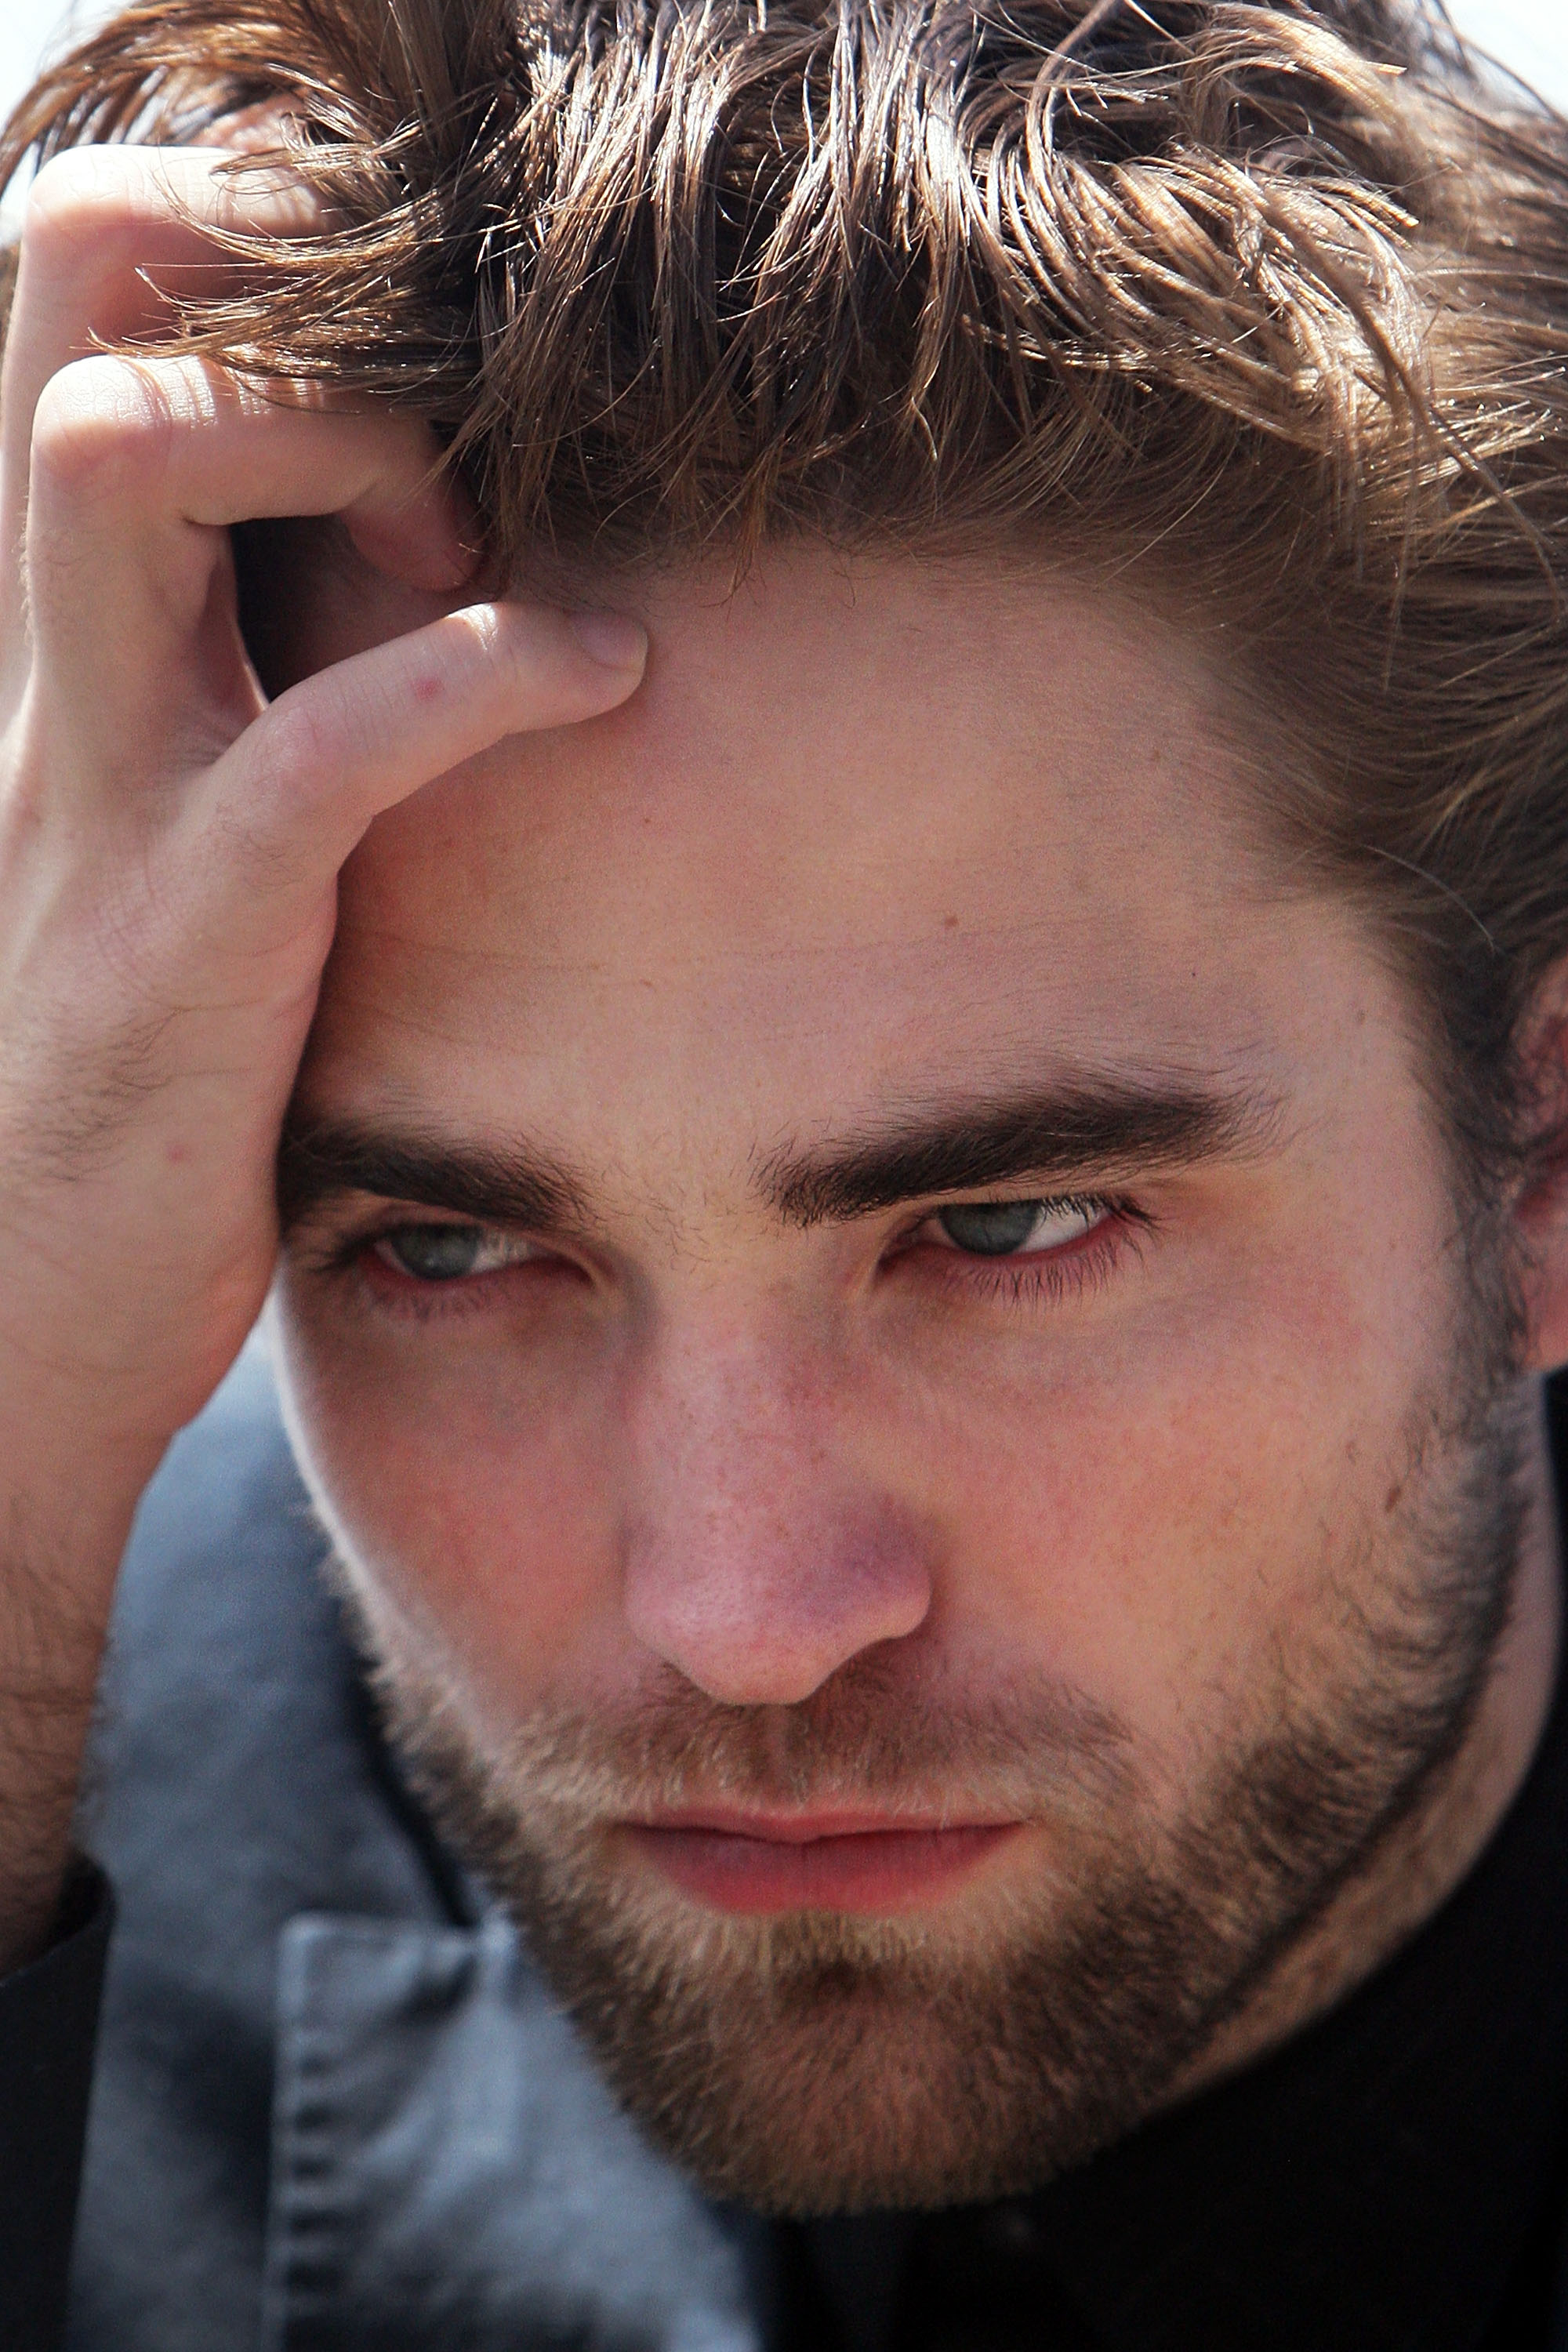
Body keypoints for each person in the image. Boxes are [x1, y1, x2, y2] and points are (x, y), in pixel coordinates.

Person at [3, 0, 1568, 2343]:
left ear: (1540, 1154)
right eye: (448, 1247)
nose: (743, 1619)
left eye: (1007, 1230)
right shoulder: (76, 1717)